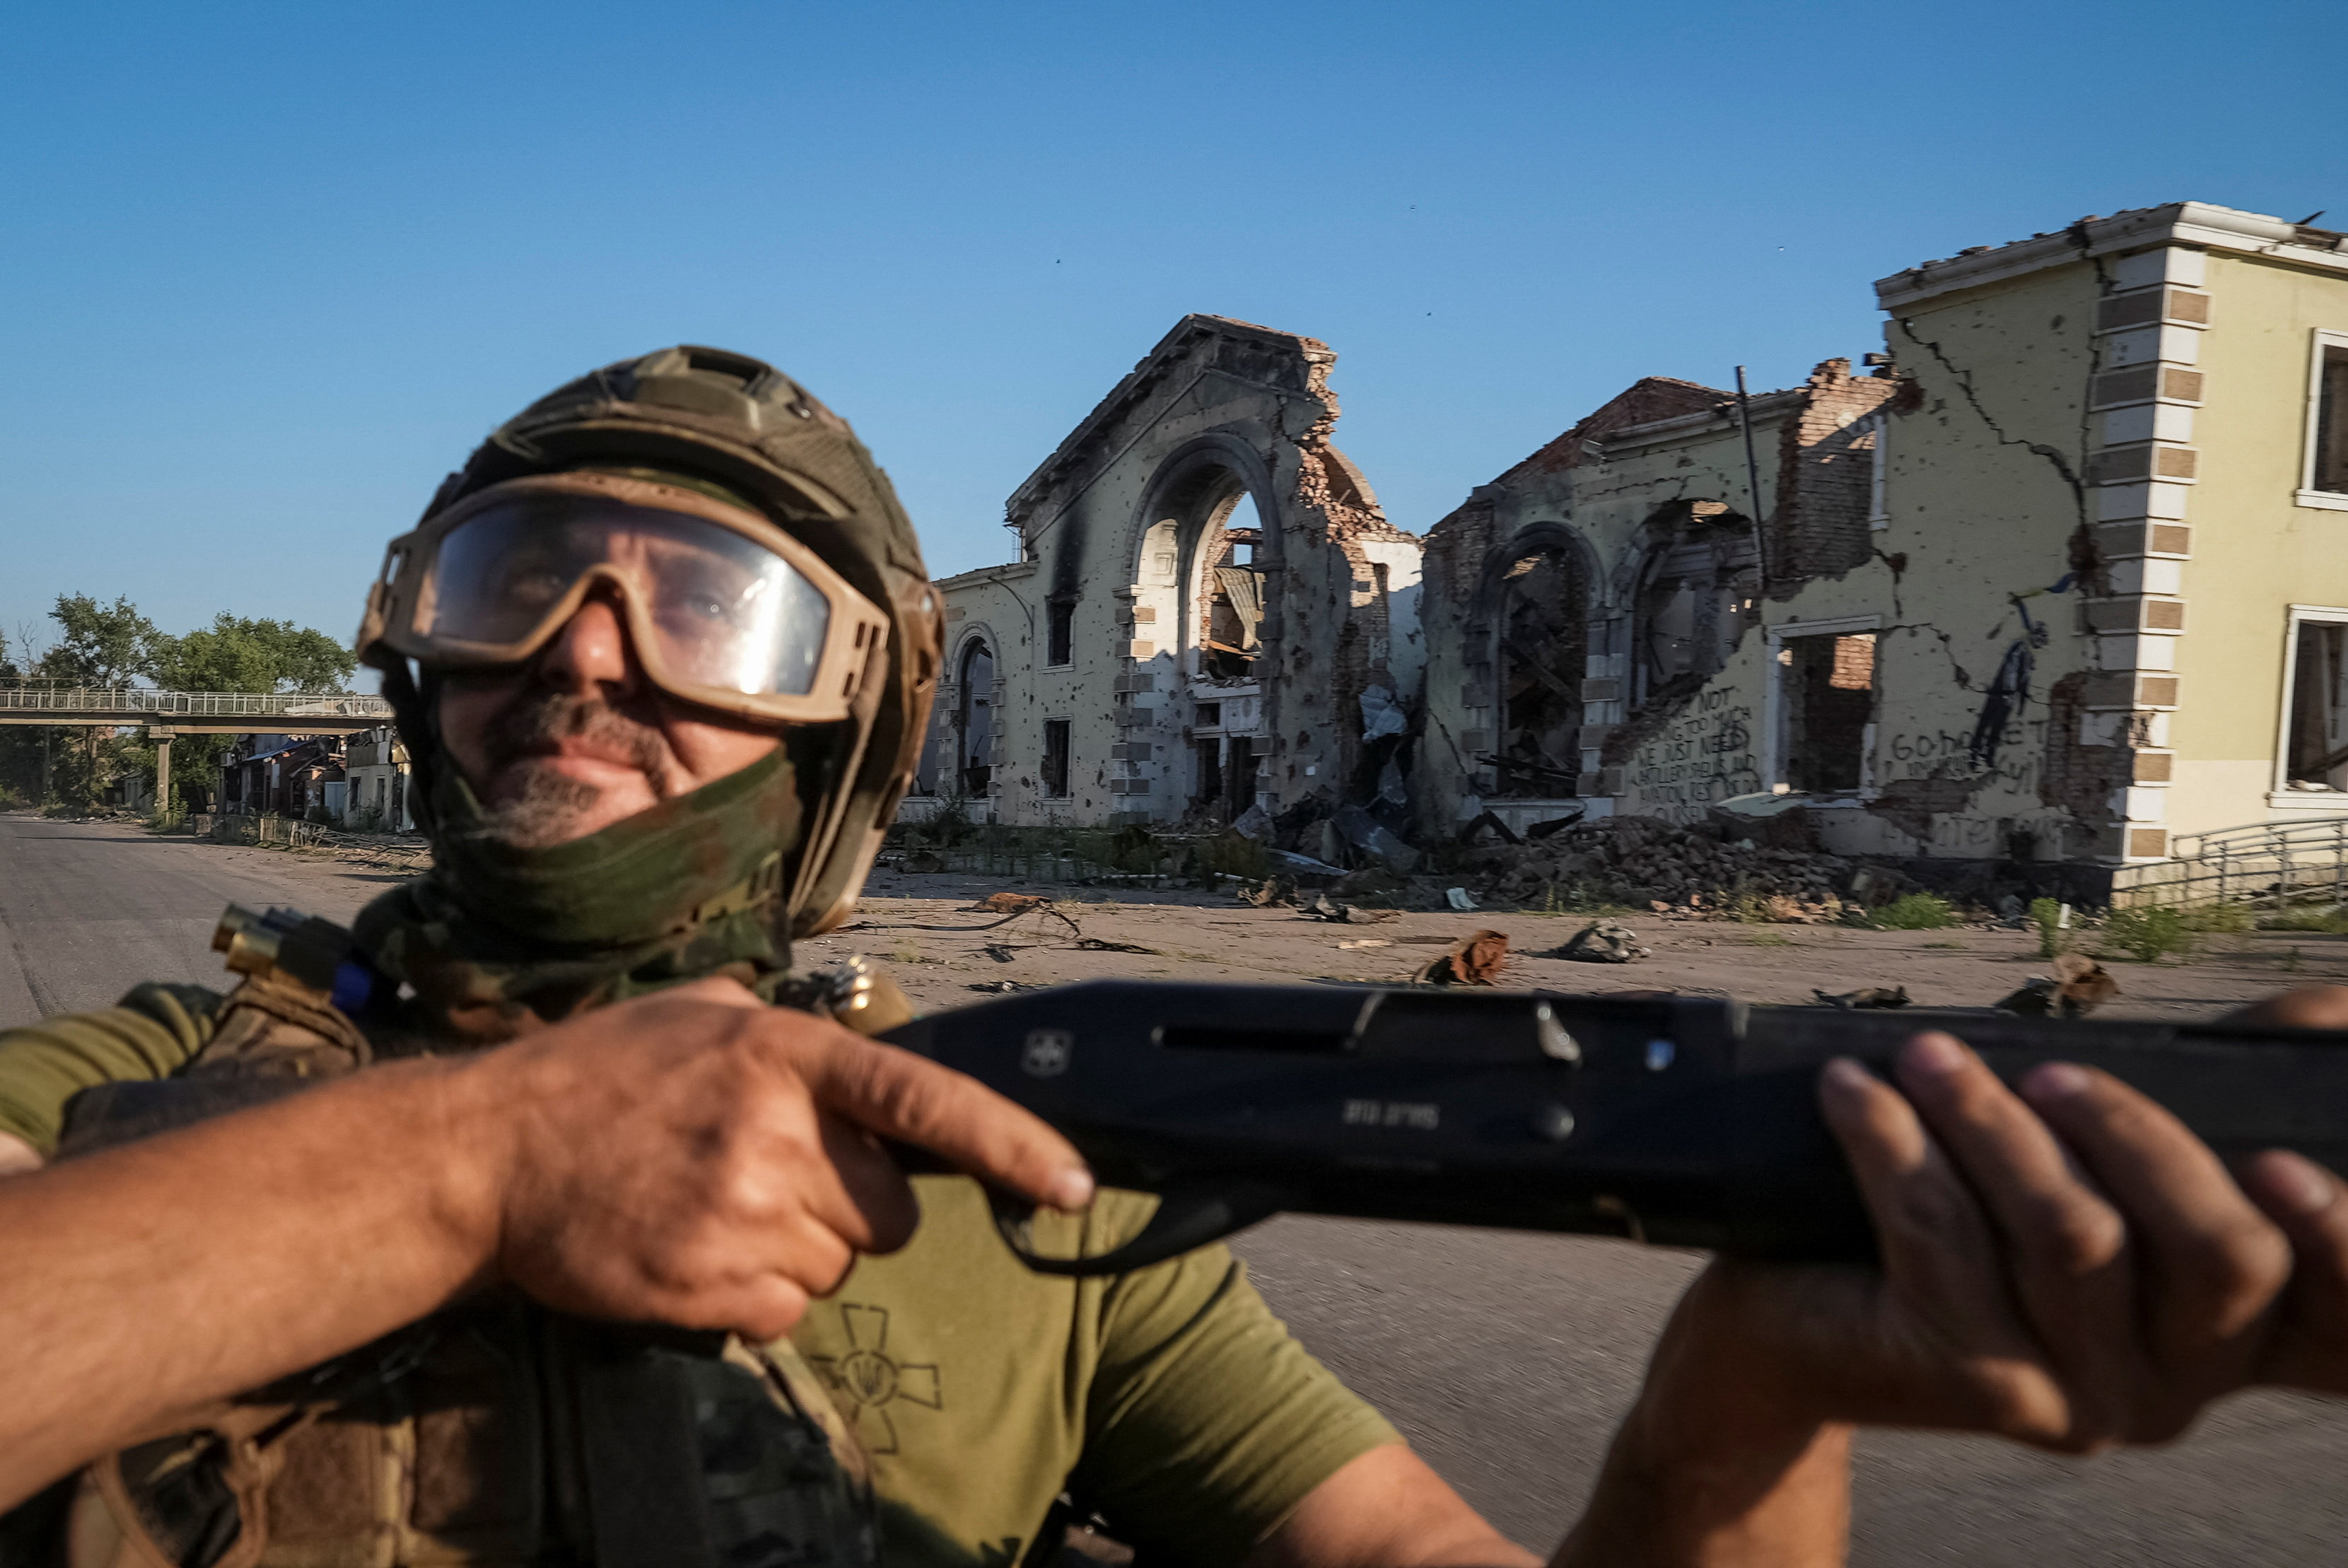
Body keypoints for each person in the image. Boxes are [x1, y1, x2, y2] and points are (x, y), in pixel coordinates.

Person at [2, 345, 2345, 1567]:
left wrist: (1743, 1406)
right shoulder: (116, 1102)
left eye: (706, 604)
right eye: (517, 580)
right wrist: (470, 1168)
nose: (586, 663)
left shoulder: (1033, 1174)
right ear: (415, 637)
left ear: (863, 706)